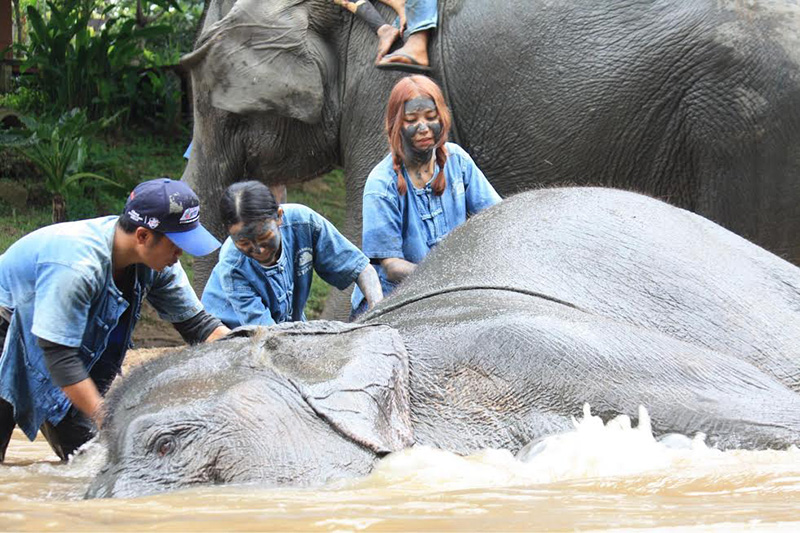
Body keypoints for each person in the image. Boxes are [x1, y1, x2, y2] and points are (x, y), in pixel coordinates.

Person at [0, 178, 231, 463]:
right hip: (9, 330)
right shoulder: (77, 266)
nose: (180, 254)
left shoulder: (157, 263)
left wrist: (246, 358)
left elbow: (199, 327)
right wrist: (107, 419)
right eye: (176, 244)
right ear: (143, 236)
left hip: (62, 346)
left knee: (95, 462)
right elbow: (59, 357)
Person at [351, 75, 501, 316]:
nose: (423, 127)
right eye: (412, 120)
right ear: (396, 125)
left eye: (431, 118)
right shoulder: (381, 184)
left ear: (442, 118)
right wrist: (447, 277)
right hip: (396, 300)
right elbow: (391, 266)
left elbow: (496, 216)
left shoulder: (457, 161)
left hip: (452, 289)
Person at [202, 181, 383, 328]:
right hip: (234, 335)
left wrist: (378, 310)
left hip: (287, 325)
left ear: (279, 216)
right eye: (244, 243)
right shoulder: (232, 265)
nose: (258, 250)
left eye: (264, 237)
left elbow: (362, 270)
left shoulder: (304, 222)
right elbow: (266, 335)